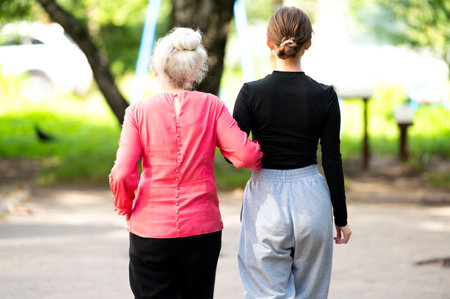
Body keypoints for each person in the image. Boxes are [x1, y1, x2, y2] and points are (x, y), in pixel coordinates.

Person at [109, 27, 262, 299]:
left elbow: (122, 173)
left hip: (150, 231)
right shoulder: (212, 106)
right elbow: (246, 155)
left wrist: (124, 207)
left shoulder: (137, 113)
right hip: (202, 230)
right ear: (194, 73)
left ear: (157, 71)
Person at [233, 7, 352, 299]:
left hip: (265, 199)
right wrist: (342, 218)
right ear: (308, 43)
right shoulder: (326, 95)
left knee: (264, 292)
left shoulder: (251, 92)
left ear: (268, 43)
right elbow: (332, 159)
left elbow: (232, 151)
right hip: (312, 197)